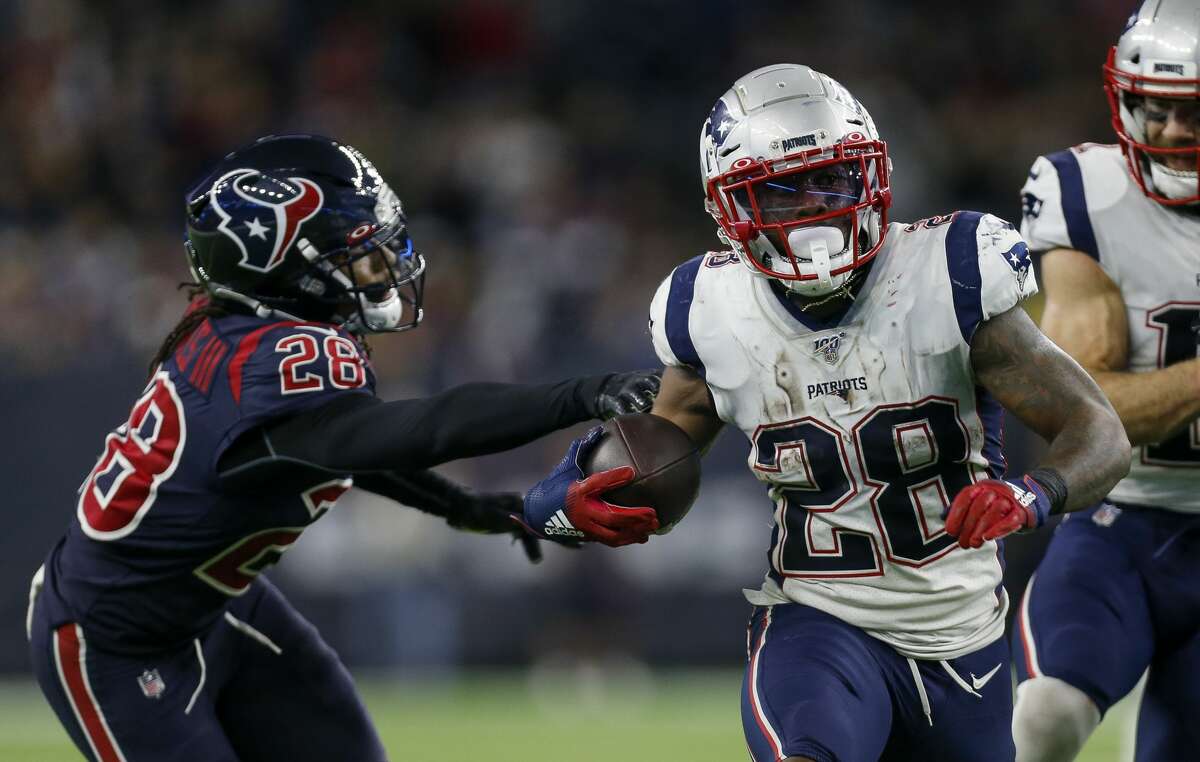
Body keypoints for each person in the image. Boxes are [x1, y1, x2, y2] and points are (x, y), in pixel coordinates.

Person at [521, 64, 1131, 762]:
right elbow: (653, 464)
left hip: (964, 640)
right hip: (819, 626)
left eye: (830, 181)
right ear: (731, 208)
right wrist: (558, 500)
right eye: (780, 194)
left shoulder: (951, 270)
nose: (813, 211)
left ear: (870, 174)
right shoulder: (711, 309)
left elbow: (1100, 433)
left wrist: (1032, 494)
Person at [25, 133, 660, 762]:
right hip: (114, 638)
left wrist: (465, 509)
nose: (385, 267)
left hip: (216, 605)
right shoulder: (264, 369)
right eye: (358, 251)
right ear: (281, 265)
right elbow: (411, 430)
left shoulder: (257, 338)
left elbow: (342, 448)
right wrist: (585, 393)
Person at [1010, 3, 1200, 760]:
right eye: (1151, 106)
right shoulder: (1084, 193)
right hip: (1124, 523)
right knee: (1047, 713)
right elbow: (1086, 411)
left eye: (1191, 111)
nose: (1169, 132)